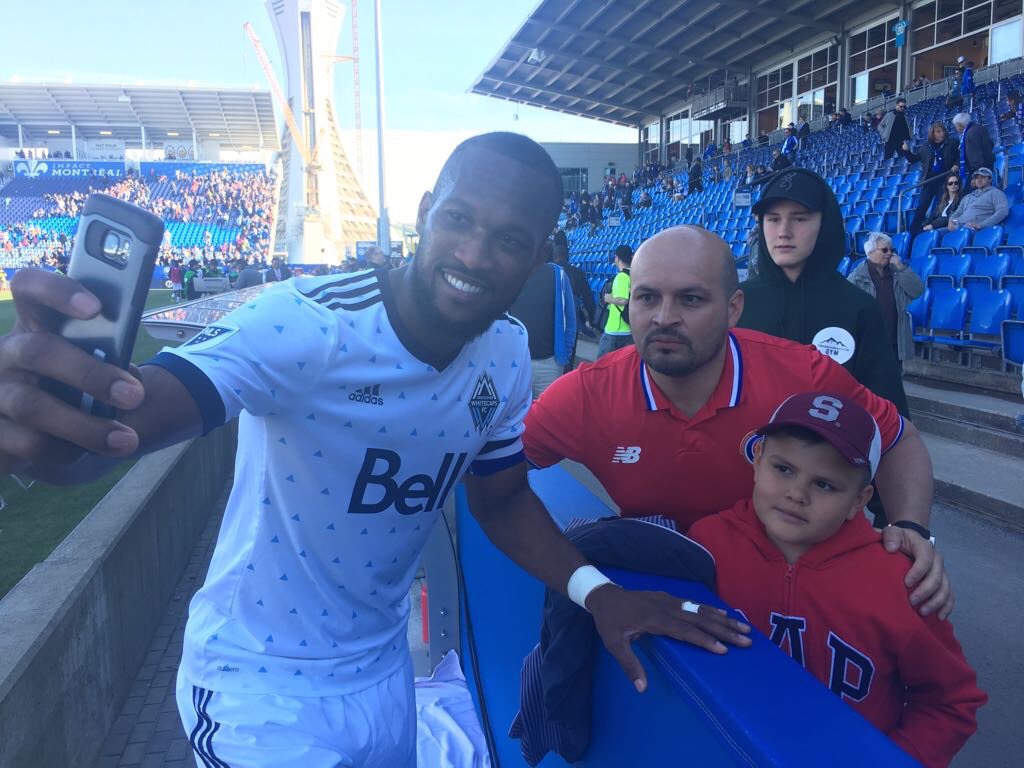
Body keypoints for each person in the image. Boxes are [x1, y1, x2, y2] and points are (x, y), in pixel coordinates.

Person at [0, 133, 752, 766]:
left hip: (384, 675)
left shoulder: (505, 354)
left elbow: (502, 499)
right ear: (425, 214)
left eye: (510, 240)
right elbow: (146, 414)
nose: (476, 251)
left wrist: (599, 593)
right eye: (459, 218)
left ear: (535, 258)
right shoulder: (304, 324)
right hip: (256, 685)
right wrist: (67, 439)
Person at [523, 225, 952, 619]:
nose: (664, 317)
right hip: (680, 593)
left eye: (691, 299)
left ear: (733, 309)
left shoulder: (802, 375)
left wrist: (910, 527)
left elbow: (898, 439)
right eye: (647, 297)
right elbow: (495, 473)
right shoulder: (586, 394)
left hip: (803, 601)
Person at [688, 392, 986, 768]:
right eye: (784, 469)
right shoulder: (709, 542)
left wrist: (889, 760)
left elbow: (950, 702)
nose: (796, 494)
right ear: (758, 459)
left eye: (825, 485)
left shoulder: (901, 579)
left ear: (859, 501)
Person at [737, 168, 909, 414]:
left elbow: (890, 415)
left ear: (824, 224)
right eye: (773, 219)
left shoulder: (858, 307)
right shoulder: (738, 303)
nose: (783, 231)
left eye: (800, 218)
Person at [848, 232, 925, 370]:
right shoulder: (857, 277)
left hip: (894, 341)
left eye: (892, 250)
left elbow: (917, 291)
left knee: (892, 386)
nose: (889, 253)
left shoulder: (898, 273)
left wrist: (901, 268)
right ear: (870, 252)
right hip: (868, 344)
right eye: (884, 250)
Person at [508, 256, 577, 398]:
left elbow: (570, 319)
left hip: (550, 364)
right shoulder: (510, 274)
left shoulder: (558, 275)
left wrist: (565, 354)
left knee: (548, 416)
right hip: (515, 364)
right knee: (515, 417)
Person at [900, 121, 959, 233]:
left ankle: (936, 228)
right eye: (938, 132)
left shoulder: (952, 143)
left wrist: (956, 164)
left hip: (944, 179)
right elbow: (913, 159)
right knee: (922, 206)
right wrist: (906, 151)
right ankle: (914, 231)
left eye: (943, 131)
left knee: (942, 205)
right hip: (929, 181)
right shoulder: (926, 146)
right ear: (933, 133)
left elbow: (959, 155)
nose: (941, 134)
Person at [551, 230, 597, 337]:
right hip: (573, 322)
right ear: (568, 256)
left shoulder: (547, 274)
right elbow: (588, 300)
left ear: (553, 255)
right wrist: (592, 320)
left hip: (551, 322)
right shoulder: (578, 273)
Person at [597, 244, 633, 358]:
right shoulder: (634, 275)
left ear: (617, 258)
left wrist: (609, 298)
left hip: (616, 329)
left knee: (602, 365)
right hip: (629, 328)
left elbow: (623, 300)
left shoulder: (622, 277)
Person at [946, 167, 1009, 231]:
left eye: (983, 177)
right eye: (977, 178)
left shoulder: (996, 193)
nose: (979, 180)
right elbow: (958, 212)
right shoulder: (968, 196)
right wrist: (950, 221)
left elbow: (1002, 212)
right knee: (937, 232)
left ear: (990, 179)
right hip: (959, 227)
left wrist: (982, 225)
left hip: (976, 230)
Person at [952, 112, 995, 180]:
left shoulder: (969, 134)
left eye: (956, 126)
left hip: (979, 172)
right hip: (989, 166)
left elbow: (975, 157)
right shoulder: (980, 128)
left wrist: (977, 176)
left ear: (960, 125)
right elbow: (991, 144)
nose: (956, 129)